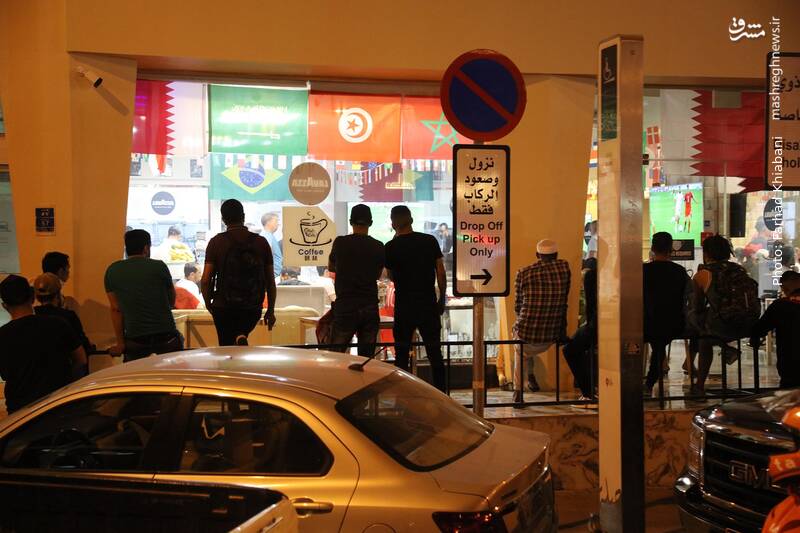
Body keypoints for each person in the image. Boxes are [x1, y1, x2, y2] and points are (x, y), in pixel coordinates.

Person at [0, 275, 87, 413]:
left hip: (20, 412)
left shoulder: (2, 335)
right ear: (32, 297)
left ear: (4, 306)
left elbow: (5, 373)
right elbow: (81, 359)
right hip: (58, 405)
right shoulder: (58, 324)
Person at [687, 234, 760, 395]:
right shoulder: (740, 270)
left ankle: (699, 386)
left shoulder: (703, 274)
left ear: (706, 253)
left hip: (724, 327)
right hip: (749, 325)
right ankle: (726, 347)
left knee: (701, 333)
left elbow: (697, 307)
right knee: (708, 325)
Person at [385, 205, 447, 391]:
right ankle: (442, 394)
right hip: (427, 304)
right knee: (435, 353)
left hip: (404, 306)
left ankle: (403, 395)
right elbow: (441, 273)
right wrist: (441, 299)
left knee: (402, 355)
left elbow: (391, 276)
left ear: (393, 224)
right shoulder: (429, 241)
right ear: (411, 220)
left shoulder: (391, 247)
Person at [202, 199, 276, 346]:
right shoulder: (261, 242)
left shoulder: (216, 242)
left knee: (226, 347)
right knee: (240, 334)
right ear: (243, 216)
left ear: (223, 219)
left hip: (224, 307)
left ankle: (238, 337)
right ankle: (240, 335)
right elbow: (270, 281)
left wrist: (208, 303)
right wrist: (271, 310)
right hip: (252, 308)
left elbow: (205, 280)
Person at [105, 229, 183, 362]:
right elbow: (171, 300)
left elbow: (116, 309)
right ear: (146, 248)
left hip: (135, 339)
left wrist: (121, 343)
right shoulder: (159, 267)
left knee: (136, 373)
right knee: (171, 372)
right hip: (166, 336)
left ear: (126, 248)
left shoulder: (112, 270)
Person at [512, 239, 571, 396]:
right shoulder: (564, 268)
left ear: (537, 255)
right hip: (552, 334)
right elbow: (564, 300)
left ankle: (518, 391)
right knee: (523, 346)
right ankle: (530, 376)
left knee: (519, 347)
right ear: (556, 254)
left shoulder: (523, 273)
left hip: (527, 334)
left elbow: (518, 306)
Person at [328, 204, 385, 357]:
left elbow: (331, 267)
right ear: (370, 223)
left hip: (345, 304)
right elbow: (377, 274)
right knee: (366, 358)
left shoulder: (340, 243)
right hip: (369, 305)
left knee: (336, 355)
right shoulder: (378, 246)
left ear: (350, 222)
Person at [642, 232, 691, 397]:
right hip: (674, 324)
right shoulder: (680, 271)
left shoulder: (643, 271)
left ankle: (648, 383)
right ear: (671, 249)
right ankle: (649, 382)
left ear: (652, 248)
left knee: (656, 340)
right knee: (659, 341)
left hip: (647, 323)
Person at [750, 271, 800, 388]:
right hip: (790, 364)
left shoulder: (780, 306)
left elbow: (759, 329)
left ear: (784, 288)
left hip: (791, 365)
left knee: (789, 394)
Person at [33, 272, 93, 356]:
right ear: (58, 294)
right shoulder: (68, 316)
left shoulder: (31, 315)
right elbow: (82, 346)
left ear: (37, 296)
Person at [563, 257, 597, 401]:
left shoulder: (592, 276)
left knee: (570, 349)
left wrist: (590, 326)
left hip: (599, 325)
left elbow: (591, 307)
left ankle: (588, 392)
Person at [261, 212, 283, 280]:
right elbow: (267, 254)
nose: (278, 224)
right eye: (276, 221)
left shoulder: (268, 235)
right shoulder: (267, 235)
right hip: (269, 276)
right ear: (268, 222)